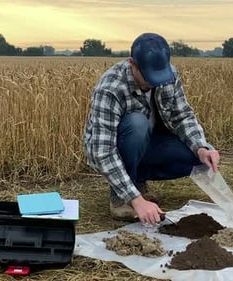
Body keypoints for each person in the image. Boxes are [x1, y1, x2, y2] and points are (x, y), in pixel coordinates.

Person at [83, 32, 220, 225]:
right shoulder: (110, 88)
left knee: (200, 158)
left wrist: (201, 147)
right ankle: (122, 196)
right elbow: (101, 152)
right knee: (137, 123)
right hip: (120, 146)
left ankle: (137, 180)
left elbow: (182, 116)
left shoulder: (169, 75)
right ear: (132, 64)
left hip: (153, 144)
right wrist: (136, 201)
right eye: (149, 77)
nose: (155, 82)